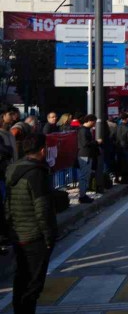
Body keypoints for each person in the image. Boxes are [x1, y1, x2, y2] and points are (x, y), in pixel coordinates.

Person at [5, 133, 57, 313]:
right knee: (33, 284)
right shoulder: (37, 174)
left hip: (18, 232)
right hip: (35, 235)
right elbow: (42, 209)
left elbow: (7, 204)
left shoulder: (13, 169)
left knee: (21, 278)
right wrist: (49, 236)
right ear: (43, 151)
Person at [77, 114, 101, 204]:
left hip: (87, 154)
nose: (94, 124)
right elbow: (85, 143)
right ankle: (82, 195)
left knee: (86, 175)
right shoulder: (83, 130)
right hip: (85, 155)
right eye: (94, 122)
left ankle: (83, 194)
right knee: (84, 176)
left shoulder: (85, 130)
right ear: (90, 121)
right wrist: (96, 142)